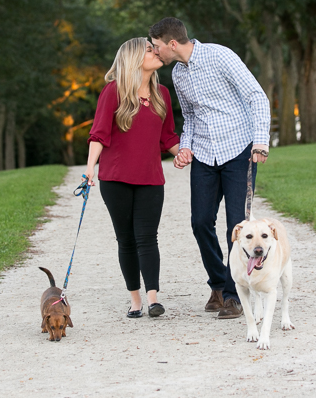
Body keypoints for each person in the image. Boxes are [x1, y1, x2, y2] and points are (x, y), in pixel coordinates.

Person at [149, 17, 270, 320]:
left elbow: (257, 96)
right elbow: (188, 116)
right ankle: (218, 284)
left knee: (236, 226)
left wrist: (261, 141)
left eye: (156, 46)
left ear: (171, 44)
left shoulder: (220, 56)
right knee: (200, 222)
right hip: (204, 154)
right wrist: (186, 145)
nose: (155, 52)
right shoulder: (177, 74)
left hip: (238, 150)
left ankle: (233, 295)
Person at [85, 37, 180, 318]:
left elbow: (168, 137)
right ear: (134, 58)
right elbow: (99, 133)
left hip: (151, 178)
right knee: (126, 240)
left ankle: (153, 299)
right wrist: (90, 167)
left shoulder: (162, 92)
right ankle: (135, 300)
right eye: (149, 50)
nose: (156, 52)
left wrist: (185, 155)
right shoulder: (113, 92)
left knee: (148, 237)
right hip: (115, 179)